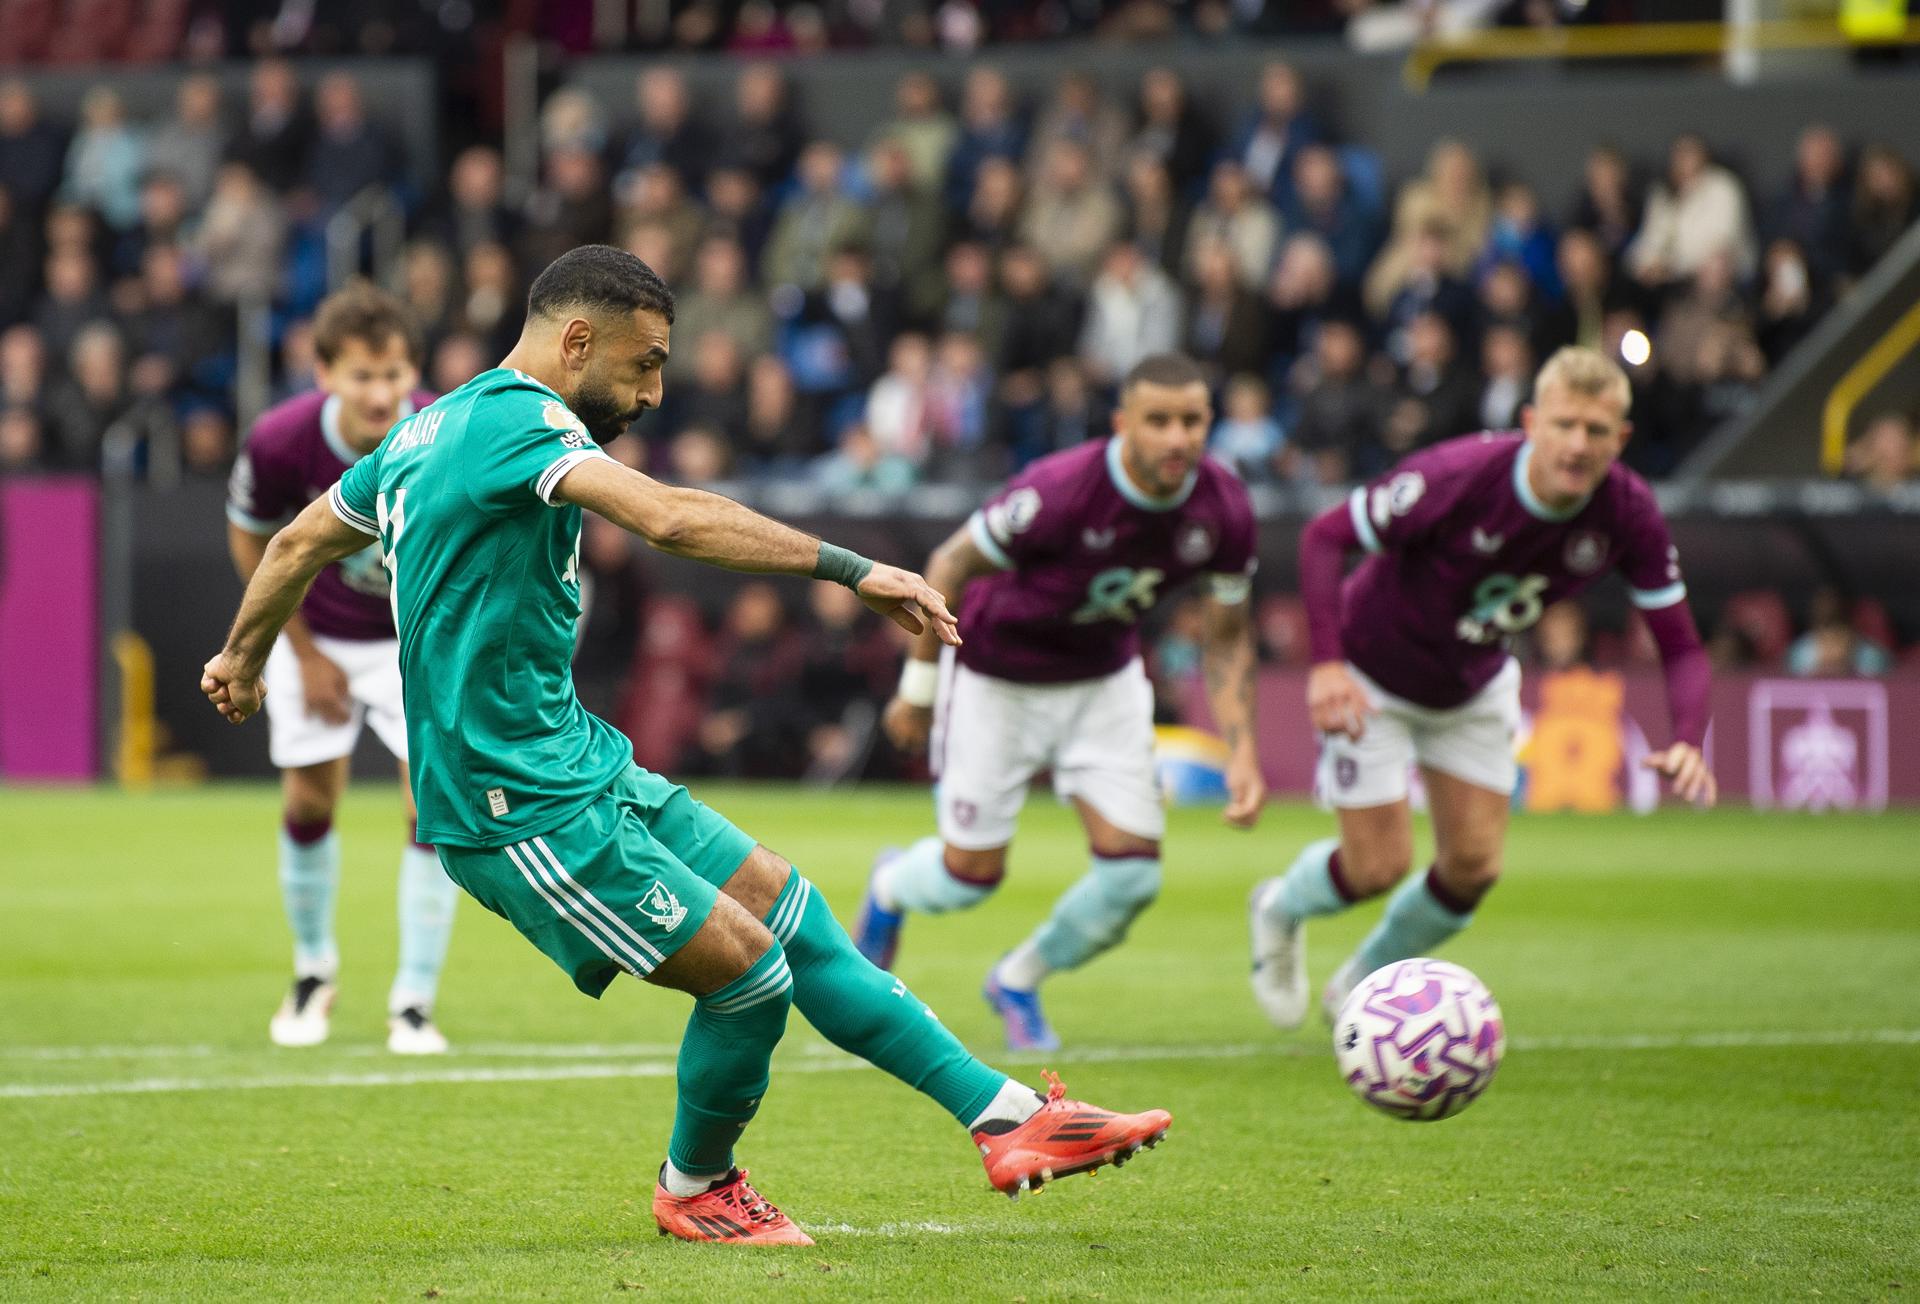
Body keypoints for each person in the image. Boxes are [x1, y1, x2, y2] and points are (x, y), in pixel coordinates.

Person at [202, 245, 1171, 1247]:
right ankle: (697, 1185)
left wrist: (239, 654)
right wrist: (853, 567)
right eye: (645, 363)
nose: (655, 390)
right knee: (751, 976)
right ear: (577, 340)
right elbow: (666, 515)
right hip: (512, 803)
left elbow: (292, 543)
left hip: (578, 759)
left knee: (794, 913)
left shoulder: (426, 425)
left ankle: (1011, 1118)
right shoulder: (520, 424)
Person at [1249, 346, 1716, 1029]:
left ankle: (1360, 988)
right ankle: (1278, 909)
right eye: (1564, 425)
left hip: (1475, 680)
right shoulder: (1457, 476)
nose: (1577, 445)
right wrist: (1326, 664)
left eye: (1595, 431)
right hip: (1373, 672)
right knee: (1378, 865)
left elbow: (1680, 642)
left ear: (1620, 439)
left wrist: (1687, 738)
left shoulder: (1628, 511)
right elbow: (1325, 536)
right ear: (1531, 421)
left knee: (1472, 867)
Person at [857, 353, 1265, 1051]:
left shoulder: (1223, 507)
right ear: (1122, 425)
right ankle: (893, 885)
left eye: (1192, 421)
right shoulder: (1062, 490)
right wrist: (918, 690)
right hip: (996, 680)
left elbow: (1226, 636)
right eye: (1159, 421)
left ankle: (1017, 979)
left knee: (1132, 877)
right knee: (967, 879)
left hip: (1102, 684)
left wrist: (1246, 749)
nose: (1177, 438)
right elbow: (951, 563)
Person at [224, 283, 454, 1055]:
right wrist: (303, 653)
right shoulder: (280, 441)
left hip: (409, 641)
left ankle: (413, 1003)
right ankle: (313, 971)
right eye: (363, 375)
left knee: (430, 807)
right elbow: (254, 541)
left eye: (394, 374)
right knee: (310, 797)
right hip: (314, 632)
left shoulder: (442, 430)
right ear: (323, 372)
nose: (382, 392)